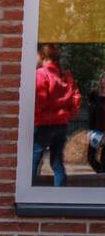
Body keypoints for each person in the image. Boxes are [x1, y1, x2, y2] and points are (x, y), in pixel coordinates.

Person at [33, 43, 81, 186]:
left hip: (43, 124)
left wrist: (34, 118)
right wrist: (67, 115)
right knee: (57, 161)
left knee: (34, 159)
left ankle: (29, 193)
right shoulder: (66, 75)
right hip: (61, 124)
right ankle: (59, 194)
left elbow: (39, 100)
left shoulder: (41, 74)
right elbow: (76, 99)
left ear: (43, 56)